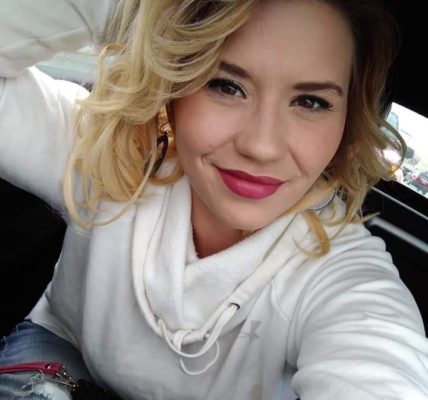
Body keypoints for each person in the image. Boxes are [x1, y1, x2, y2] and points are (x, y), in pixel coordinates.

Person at [1, 0, 428, 399]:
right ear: (173, 83)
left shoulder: (343, 275)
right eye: (226, 86)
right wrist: (134, 11)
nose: (261, 146)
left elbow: (381, 366)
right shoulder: (104, 151)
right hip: (59, 353)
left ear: (347, 122)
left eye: (310, 102)